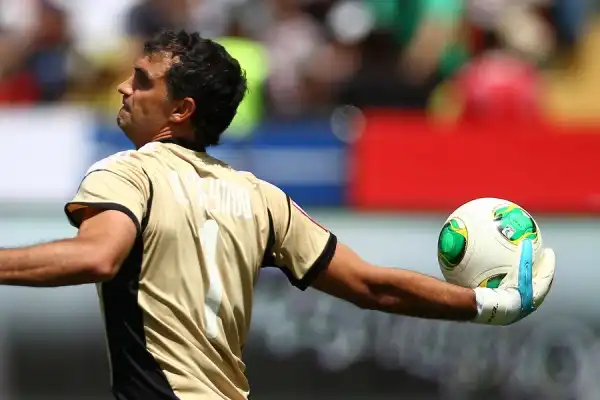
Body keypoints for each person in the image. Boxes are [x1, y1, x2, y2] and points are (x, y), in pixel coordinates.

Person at [0, 30, 555, 399]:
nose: (124, 87)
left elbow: (99, 256)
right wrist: (488, 304)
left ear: (181, 109)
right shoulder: (261, 196)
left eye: (143, 80)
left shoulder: (127, 172)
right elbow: (372, 286)